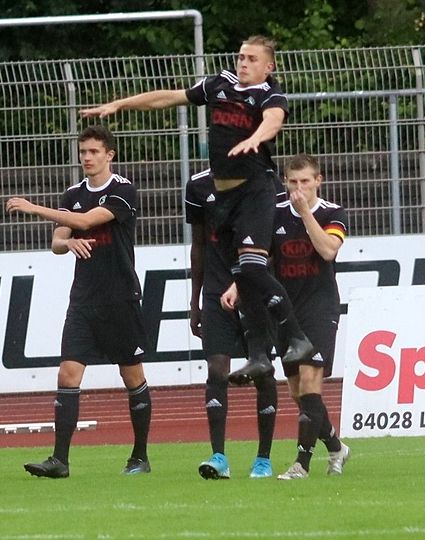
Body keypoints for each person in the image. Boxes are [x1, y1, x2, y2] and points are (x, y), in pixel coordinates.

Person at [81, 35, 315, 387]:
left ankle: (296, 337)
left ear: (269, 66)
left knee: (253, 267)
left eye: (252, 59)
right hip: (226, 198)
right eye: (241, 57)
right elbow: (169, 97)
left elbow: (273, 119)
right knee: (244, 273)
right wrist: (121, 104)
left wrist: (256, 138)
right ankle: (258, 356)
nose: (243, 63)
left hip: (255, 190)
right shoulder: (220, 84)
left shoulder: (268, 93)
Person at [7, 125, 152, 478]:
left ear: (109, 155)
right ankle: (60, 461)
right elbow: (57, 242)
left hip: (120, 297)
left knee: (131, 375)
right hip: (84, 299)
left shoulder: (123, 190)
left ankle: (140, 456)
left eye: (93, 151)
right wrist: (68, 243)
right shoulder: (73, 193)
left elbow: (86, 221)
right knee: (68, 373)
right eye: (83, 151)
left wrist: (34, 208)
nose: (86, 157)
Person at [222, 154, 350, 480]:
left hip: (320, 307)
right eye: (293, 182)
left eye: (305, 181)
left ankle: (301, 464)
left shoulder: (332, 213)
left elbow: (328, 250)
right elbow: (260, 259)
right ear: (285, 182)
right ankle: (336, 447)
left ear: (318, 181)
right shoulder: (274, 212)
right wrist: (237, 285)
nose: (299, 188)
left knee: (310, 383)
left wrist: (305, 213)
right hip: (284, 311)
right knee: (298, 393)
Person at [186, 168, 279, 479]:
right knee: (216, 370)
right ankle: (218, 457)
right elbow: (199, 245)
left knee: (262, 370)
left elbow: (273, 245)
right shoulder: (198, 186)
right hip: (215, 293)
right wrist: (195, 301)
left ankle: (263, 459)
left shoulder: (265, 181)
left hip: (256, 290)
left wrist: (242, 282)